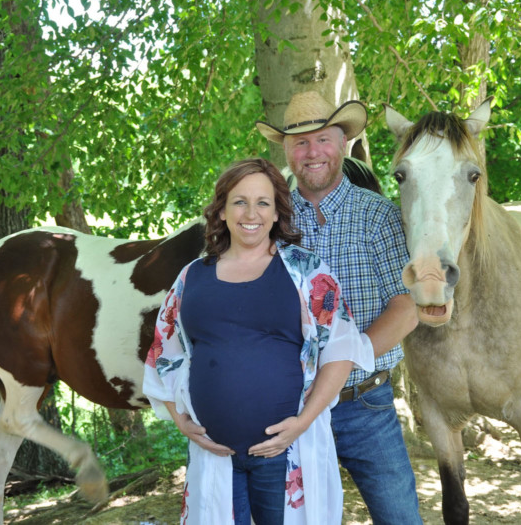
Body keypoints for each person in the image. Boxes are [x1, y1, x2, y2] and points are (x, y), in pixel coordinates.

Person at [143, 158, 374, 524]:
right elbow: (162, 354)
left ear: (278, 211)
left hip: (285, 451)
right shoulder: (191, 277)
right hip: (214, 454)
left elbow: (341, 352)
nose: (251, 213)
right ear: (220, 211)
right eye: (239, 201)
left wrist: (301, 423)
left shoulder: (307, 271)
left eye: (263, 202)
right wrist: (179, 419)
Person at [256, 92, 422, 524]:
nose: (312, 153)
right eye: (300, 143)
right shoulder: (269, 221)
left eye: (323, 140)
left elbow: (406, 308)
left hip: (364, 404)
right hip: (285, 406)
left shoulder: (379, 216)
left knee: (400, 517)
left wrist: (341, 365)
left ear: (343, 143)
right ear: (286, 151)